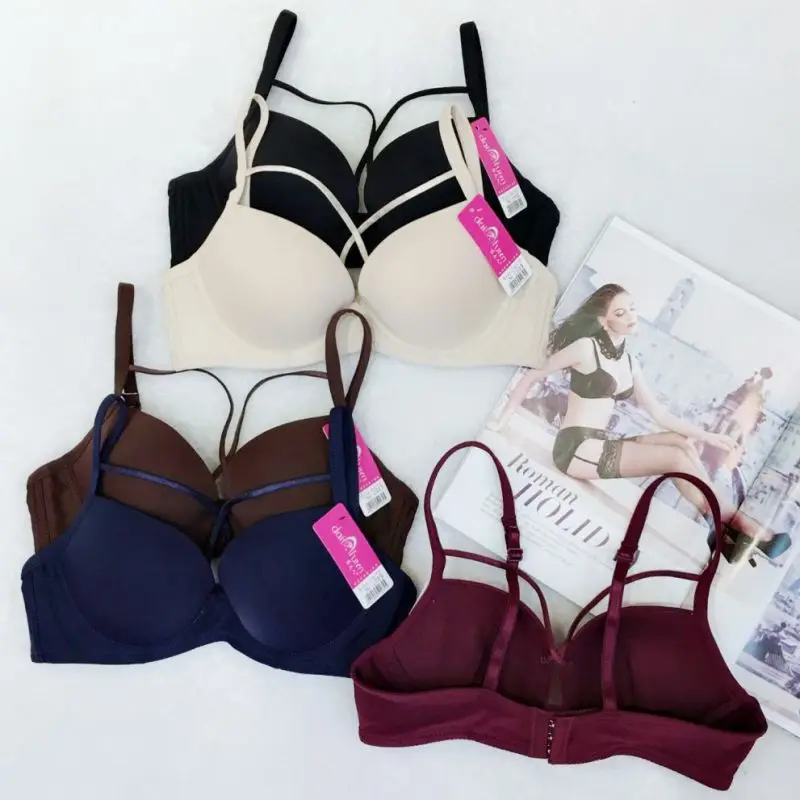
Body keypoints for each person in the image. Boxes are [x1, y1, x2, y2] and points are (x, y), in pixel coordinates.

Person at [490, 283, 735, 515]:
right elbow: (533, 375)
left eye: (632, 309)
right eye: (620, 313)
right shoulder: (586, 347)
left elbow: (659, 413)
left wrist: (707, 436)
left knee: (681, 444)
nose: (630, 316)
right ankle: (721, 519)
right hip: (575, 450)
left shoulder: (630, 363)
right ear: (603, 321)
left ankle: (722, 516)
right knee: (675, 458)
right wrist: (501, 421)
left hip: (600, 444)